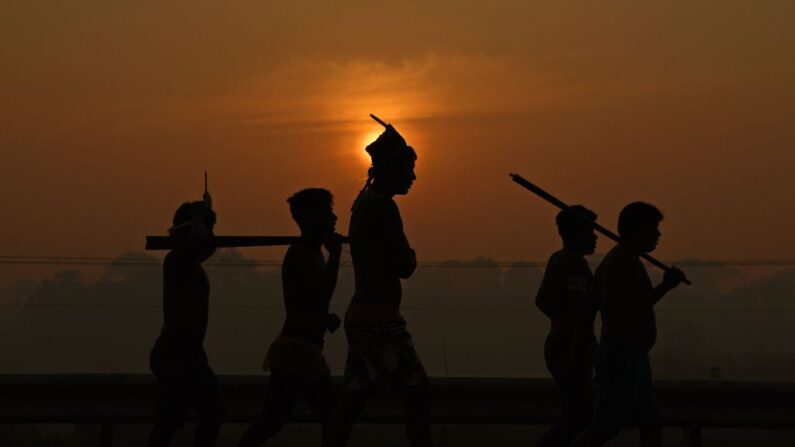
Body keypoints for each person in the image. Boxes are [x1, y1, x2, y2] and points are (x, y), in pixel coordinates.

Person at [326, 122, 429, 447]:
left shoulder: (365, 204)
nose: (412, 177)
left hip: (366, 316)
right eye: (408, 169)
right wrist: (409, 254)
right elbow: (404, 265)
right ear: (394, 168)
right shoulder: (383, 206)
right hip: (379, 320)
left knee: (355, 398)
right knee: (417, 392)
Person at [571, 202, 686, 447]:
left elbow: (589, 309)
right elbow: (634, 307)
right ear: (638, 230)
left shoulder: (620, 259)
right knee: (604, 428)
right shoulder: (623, 262)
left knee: (651, 422)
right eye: (653, 229)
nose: (658, 235)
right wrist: (666, 286)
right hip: (623, 357)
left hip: (629, 356)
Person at [239, 188, 343, 447]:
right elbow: (320, 295)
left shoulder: (312, 252)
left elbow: (309, 302)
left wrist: (323, 318)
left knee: (329, 415)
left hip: (307, 350)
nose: (334, 218)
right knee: (273, 421)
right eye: (328, 212)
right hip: (296, 352)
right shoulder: (300, 253)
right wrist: (337, 257)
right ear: (311, 218)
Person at [148, 197, 226, 447]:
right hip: (176, 354)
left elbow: (205, 246)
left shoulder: (190, 261)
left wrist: (201, 218)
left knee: (171, 423)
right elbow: (197, 242)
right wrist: (196, 217)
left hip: (187, 353)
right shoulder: (177, 261)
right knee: (211, 412)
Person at [536, 205, 598, 447]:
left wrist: (558, 321)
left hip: (558, 344)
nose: (595, 237)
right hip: (572, 348)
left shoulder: (557, 259)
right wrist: (580, 341)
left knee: (575, 414)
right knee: (580, 418)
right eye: (590, 231)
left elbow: (541, 301)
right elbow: (578, 308)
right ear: (576, 233)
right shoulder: (575, 265)